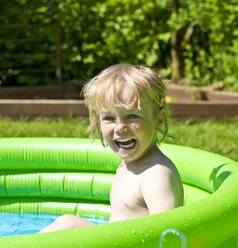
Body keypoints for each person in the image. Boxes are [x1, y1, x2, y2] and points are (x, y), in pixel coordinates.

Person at [39, 64, 183, 233]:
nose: (120, 127)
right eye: (109, 118)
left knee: (67, 224)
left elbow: (167, 235)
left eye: (132, 116)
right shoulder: (130, 165)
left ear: (158, 119)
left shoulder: (156, 175)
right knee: (68, 222)